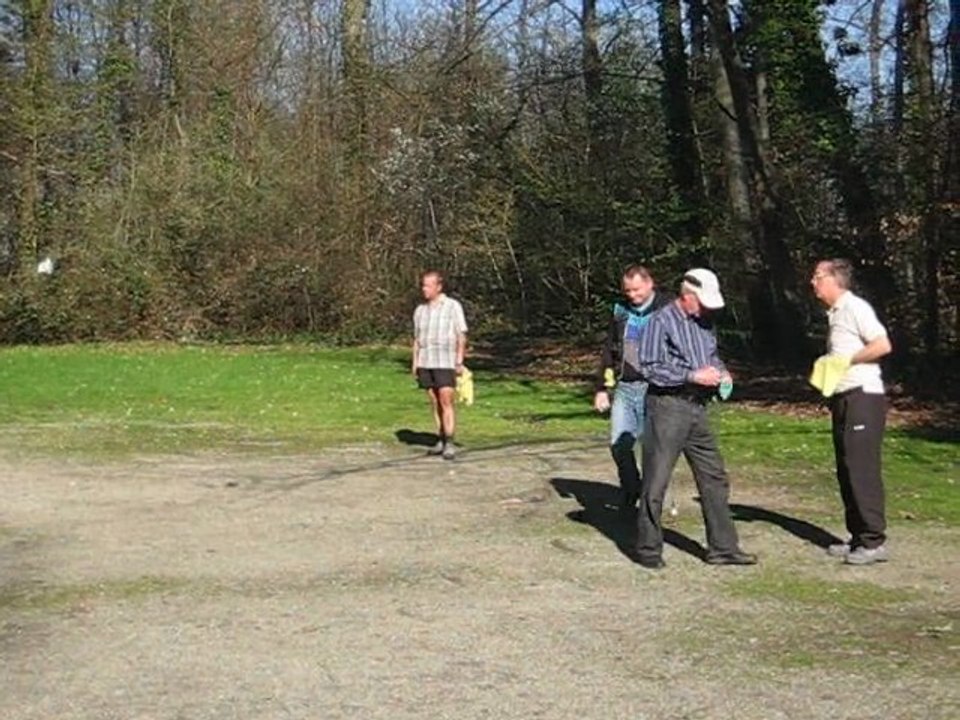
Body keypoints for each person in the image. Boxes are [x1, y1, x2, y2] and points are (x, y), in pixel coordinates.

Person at [634, 268, 757, 569]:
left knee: (714, 476)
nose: (705, 309)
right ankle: (648, 549)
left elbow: (711, 357)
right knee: (656, 481)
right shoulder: (659, 322)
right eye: (701, 302)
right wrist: (691, 375)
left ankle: (723, 548)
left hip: (698, 409)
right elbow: (649, 367)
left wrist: (722, 373)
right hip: (667, 408)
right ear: (687, 296)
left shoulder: (704, 323)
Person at [811, 259, 892, 565]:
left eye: (818, 276)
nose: (813, 282)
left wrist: (847, 360)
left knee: (861, 468)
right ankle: (857, 535)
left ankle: (873, 541)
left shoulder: (855, 307)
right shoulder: (834, 314)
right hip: (843, 397)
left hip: (864, 397)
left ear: (836, 280)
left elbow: (882, 345)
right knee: (845, 467)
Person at [593, 265, 671, 514]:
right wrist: (602, 388)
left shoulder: (668, 308)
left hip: (656, 388)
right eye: (627, 291)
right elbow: (609, 350)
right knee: (619, 444)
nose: (632, 295)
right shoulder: (620, 311)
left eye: (637, 290)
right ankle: (631, 489)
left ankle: (655, 498)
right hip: (626, 387)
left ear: (650, 284)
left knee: (654, 449)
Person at [412, 270, 468, 460]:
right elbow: (417, 339)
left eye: (428, 285)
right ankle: (441, 437)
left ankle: (450, 441)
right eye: (423, 285)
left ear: (438, 287)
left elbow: (461, 335)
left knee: (446, 400)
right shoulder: (420, 311)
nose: (424, 289)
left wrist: (459, 361)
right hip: (426, 361)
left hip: (445, 361)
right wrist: (415, 362)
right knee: (434, 401)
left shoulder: (452, 306)